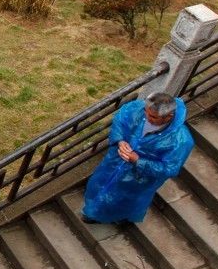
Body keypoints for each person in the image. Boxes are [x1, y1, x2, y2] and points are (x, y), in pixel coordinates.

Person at [81, 92, 194, 226]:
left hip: (138, 179)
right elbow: (119, 120)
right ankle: (92, 212)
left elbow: (169, 169)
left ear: (168, 116)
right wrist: (120, 140)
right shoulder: (137, 108)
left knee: (124, 201)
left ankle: (117, 217)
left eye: (153, 117)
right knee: (98, 187)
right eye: (146, 112)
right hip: (112, 164)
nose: (146, 117)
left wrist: (138, 161)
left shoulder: (181, 140)